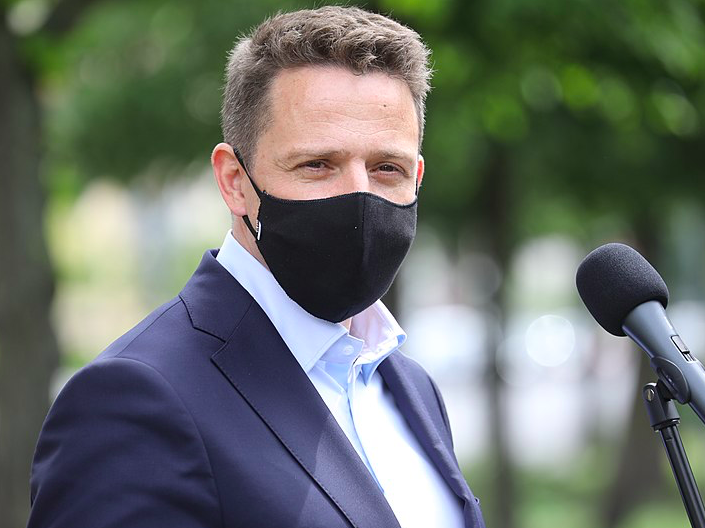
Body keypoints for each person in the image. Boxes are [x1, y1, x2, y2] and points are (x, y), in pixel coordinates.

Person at [28, 6, 486, 528]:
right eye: (317, 164)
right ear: (234, 181)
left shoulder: (411, 387)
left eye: (387, 168)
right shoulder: (134, 399)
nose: (359, 196)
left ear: (417, 177)